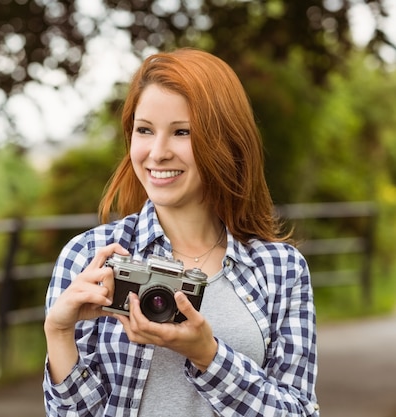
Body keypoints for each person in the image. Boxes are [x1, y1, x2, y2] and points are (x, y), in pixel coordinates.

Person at [42, 47, 319, 417]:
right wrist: (58, 333)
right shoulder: (89, 255)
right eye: (144, 130)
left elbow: (299, 412)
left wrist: (208, 355)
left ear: (225, 140)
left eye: (182, 132)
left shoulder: (280, 268)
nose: (157, 153)